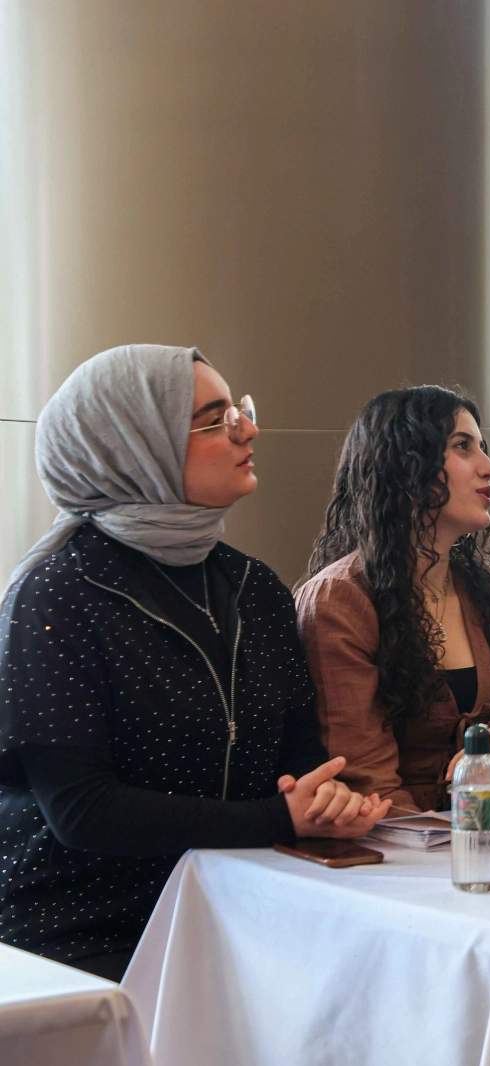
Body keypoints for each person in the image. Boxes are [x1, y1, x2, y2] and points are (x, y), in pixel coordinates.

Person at [0, 345, 388, 981]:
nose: (247, 430)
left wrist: (330, 801)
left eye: (240, 410)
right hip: (88, 933)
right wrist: (277, 818)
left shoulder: (254, 589)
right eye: (214, 420)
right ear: (133, 446)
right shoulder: (57, 595)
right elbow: (82, 811)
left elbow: (301, 764)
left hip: (244, 909)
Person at [297, 387, 490, 814]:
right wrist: (459, 843)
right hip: (397, 840)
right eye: (463, 446)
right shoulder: (340, 600)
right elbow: (368, 786)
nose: (489, 467)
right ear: (405, 465)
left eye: (483, 448)